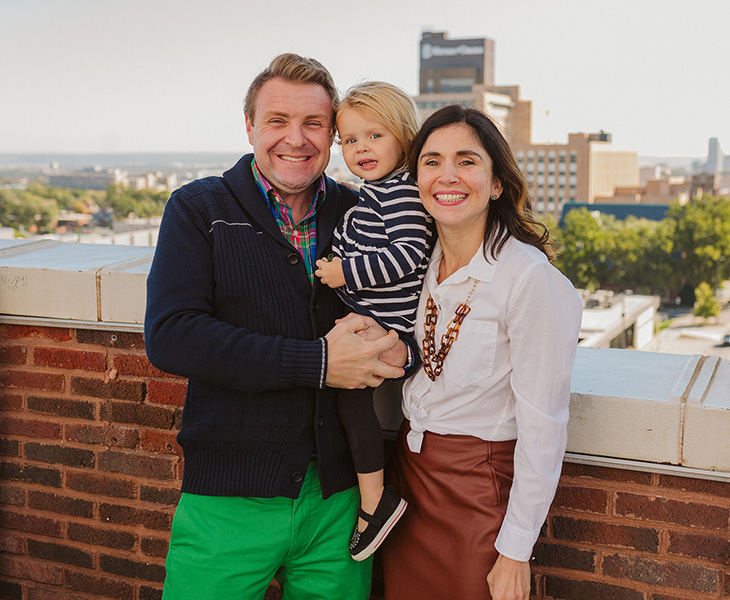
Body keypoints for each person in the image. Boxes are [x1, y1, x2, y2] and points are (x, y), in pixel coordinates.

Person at [144, 54, 413, 600]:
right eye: (276, 121)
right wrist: (318, 363)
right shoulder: (199, 208)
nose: (297, 138)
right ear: (249, 126)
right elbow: (172, 333)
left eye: (314, 123)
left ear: (333, 134)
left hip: (342, 508)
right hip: (229, 499)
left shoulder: (359, 210)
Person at [380, 105, 583, 600]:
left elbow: (544, 427)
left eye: (467, 161)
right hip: (408, 486)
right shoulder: (417, 261)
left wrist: (514, 552)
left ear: (496, 184)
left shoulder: (528, 278)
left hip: (477, 495)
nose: (447, 175)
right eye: (431, 162)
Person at [314, 81, 433, 561]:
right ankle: (370, 496)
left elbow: (408, 254)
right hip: (373, 320)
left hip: (386, 327)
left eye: (375, 136)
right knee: (343, 399)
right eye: (350, 140)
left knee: (348, 398)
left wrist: (345, 270)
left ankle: (374, 501)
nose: (361, 148)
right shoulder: (375, 192)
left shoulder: (399, 193)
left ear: (404, 136)